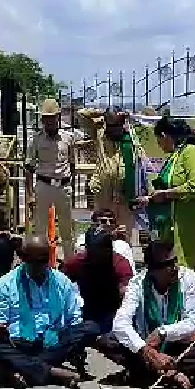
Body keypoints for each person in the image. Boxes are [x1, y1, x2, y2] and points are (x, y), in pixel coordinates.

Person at [105, 240, 195, 389]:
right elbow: (121, 323)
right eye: (168, 264)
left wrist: (163, 333)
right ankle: (174, 373)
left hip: (179, 345)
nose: (175, 267)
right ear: (152, 270)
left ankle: (149, 372)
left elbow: (193, 323)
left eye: (175, 261)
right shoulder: (137, 284)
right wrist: (146, 351)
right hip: (146, 345)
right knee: (107, 341)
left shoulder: (188, 278)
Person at [0, 236, 100, 389]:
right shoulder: (5, 284)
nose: (40, 266)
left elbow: (74, 318)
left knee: (90, 328)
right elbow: (0, 323)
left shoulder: (62, 282)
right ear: (23, 258)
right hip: (18, 343)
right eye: (34, 261)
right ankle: (51, 372)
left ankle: (20, 369)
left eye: (44, 260)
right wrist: (0, 331)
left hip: (53, 343)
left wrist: (75, 348)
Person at [137, 117, 195, 320]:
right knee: (183, 271)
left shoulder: (191, 152)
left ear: (165, 136)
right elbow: (167, 188)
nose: (159, 146)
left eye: (159, 141)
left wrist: (165, 195)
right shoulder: (176, 156)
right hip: (181, 220)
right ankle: (188, 321)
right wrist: (150, 199)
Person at [81, 108, 149, 238]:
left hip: (125, 195)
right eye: (111, 125)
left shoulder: (131, 138)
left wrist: (126, 116)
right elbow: (82, 115)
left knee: (125, 233)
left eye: (117, 125)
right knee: (102, 233)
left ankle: (122, 256)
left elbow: (141, 164)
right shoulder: (100, 133)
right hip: (104, 194)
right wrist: (101, 113)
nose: (114, 129)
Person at [62, 226, 134, 336]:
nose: (100, 253)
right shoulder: (78, 262)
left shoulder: (120, 265)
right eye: (95, 249)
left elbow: (128, 297)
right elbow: (60, 284)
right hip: (86, 310)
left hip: (114, 311)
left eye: (104, 248)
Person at [26, 98, 76, 258]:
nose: (49, 121)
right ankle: (42, 262)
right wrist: (30, 194)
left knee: (66, 229)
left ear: (58, 117)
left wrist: (69, 183)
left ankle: (70, 264)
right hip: (43, 184)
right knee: (41, 229)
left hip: (63, 186)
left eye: (52, 117)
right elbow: (29, 168)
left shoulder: (68, 138)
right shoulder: (36, 139)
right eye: (45, 118)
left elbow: (72, 163)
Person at [74, 208, 135, 272]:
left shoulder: (122, 244)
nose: (108, 224)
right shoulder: (83, 239)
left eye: (111, 221)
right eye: (103, 221)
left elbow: (130, 268)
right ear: (94, 224)